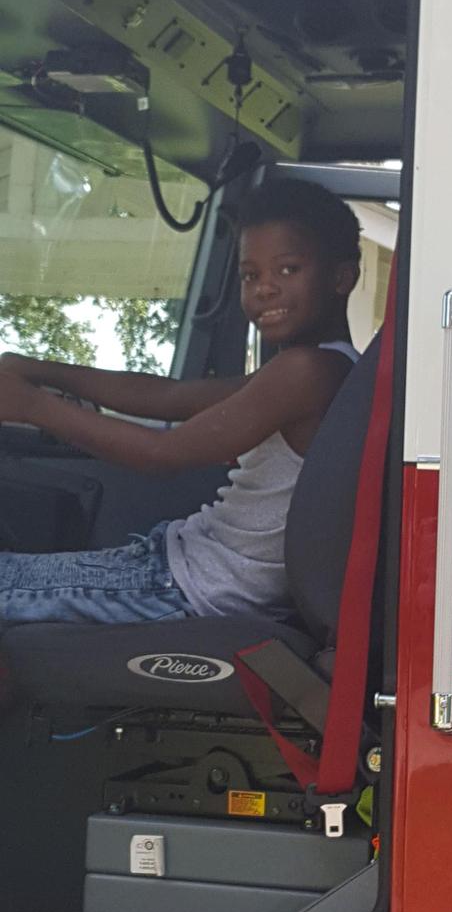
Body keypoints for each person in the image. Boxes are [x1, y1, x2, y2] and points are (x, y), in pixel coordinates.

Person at [0, 178, 361, 627]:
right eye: (251, 275)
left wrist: (32, 406)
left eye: (287, 269)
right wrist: (37, 369)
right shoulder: (331, 370)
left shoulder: (306, 372)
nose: (264, 289)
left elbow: (161, 455)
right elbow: (172, 398)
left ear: (341, 278)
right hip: (189, 570)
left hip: (190, 587)